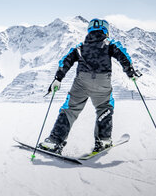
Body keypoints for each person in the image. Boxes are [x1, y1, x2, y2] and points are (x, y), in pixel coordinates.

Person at [40, 19, 139, 154]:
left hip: (81, 81)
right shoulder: (109, 43)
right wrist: (130, 71)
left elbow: (65, 61)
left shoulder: (81, 46)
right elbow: (122, 54)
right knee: (105, 107)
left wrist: (58, 78)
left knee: (70, 109)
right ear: (106, 30)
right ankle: (103, 140)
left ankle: (54, 141)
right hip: (102, 81)